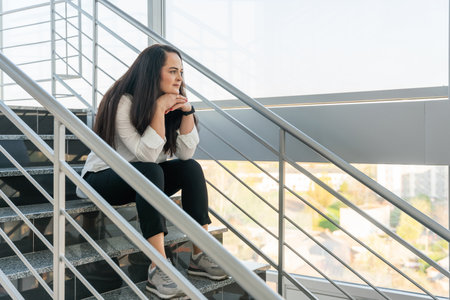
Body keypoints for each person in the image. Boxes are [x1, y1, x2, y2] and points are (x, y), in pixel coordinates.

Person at [77, 44, 227, 299]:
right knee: (150, 169)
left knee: (190, 168)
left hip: (142, 177)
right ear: (151, 73)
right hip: (102, 179)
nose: (179, 78)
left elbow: (185, 154)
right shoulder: (122, 101)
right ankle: (159, 267)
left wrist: (187, 110)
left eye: (181, 71)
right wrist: (158, 110)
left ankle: (200, 255)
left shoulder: (172, 103)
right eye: (172, 71)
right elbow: (144, 155)